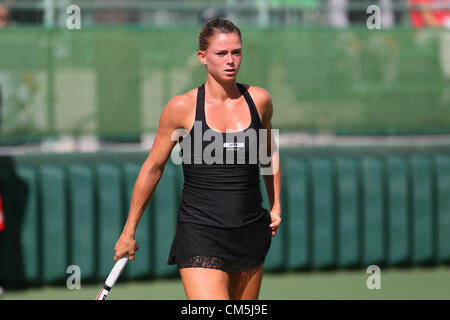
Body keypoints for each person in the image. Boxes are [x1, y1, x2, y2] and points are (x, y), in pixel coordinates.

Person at [113, 17, 282, 300]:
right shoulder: (181, 108)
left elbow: (269, 154)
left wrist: (276, 205)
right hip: (200, 233)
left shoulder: (260, 100)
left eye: (236, 52)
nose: (231, 61)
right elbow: (153, 169)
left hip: (251, 230)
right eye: (221, 53)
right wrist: (128, 230)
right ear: (202, 57)